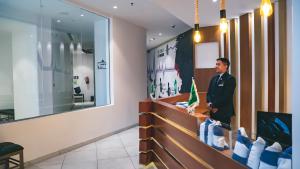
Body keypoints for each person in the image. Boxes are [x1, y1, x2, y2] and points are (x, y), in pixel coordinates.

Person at [206, 58, 236, 125]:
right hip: (213, 112)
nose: (216, 66)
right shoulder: (214, 78)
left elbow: (226, 96)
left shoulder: (230, 79)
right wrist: (210, 104)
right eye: (216, 64)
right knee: (213, 132)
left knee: (223, 133)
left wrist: (214, 106)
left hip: (223, 112)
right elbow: (209, 93)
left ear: (226, 66)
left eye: (218, 64)